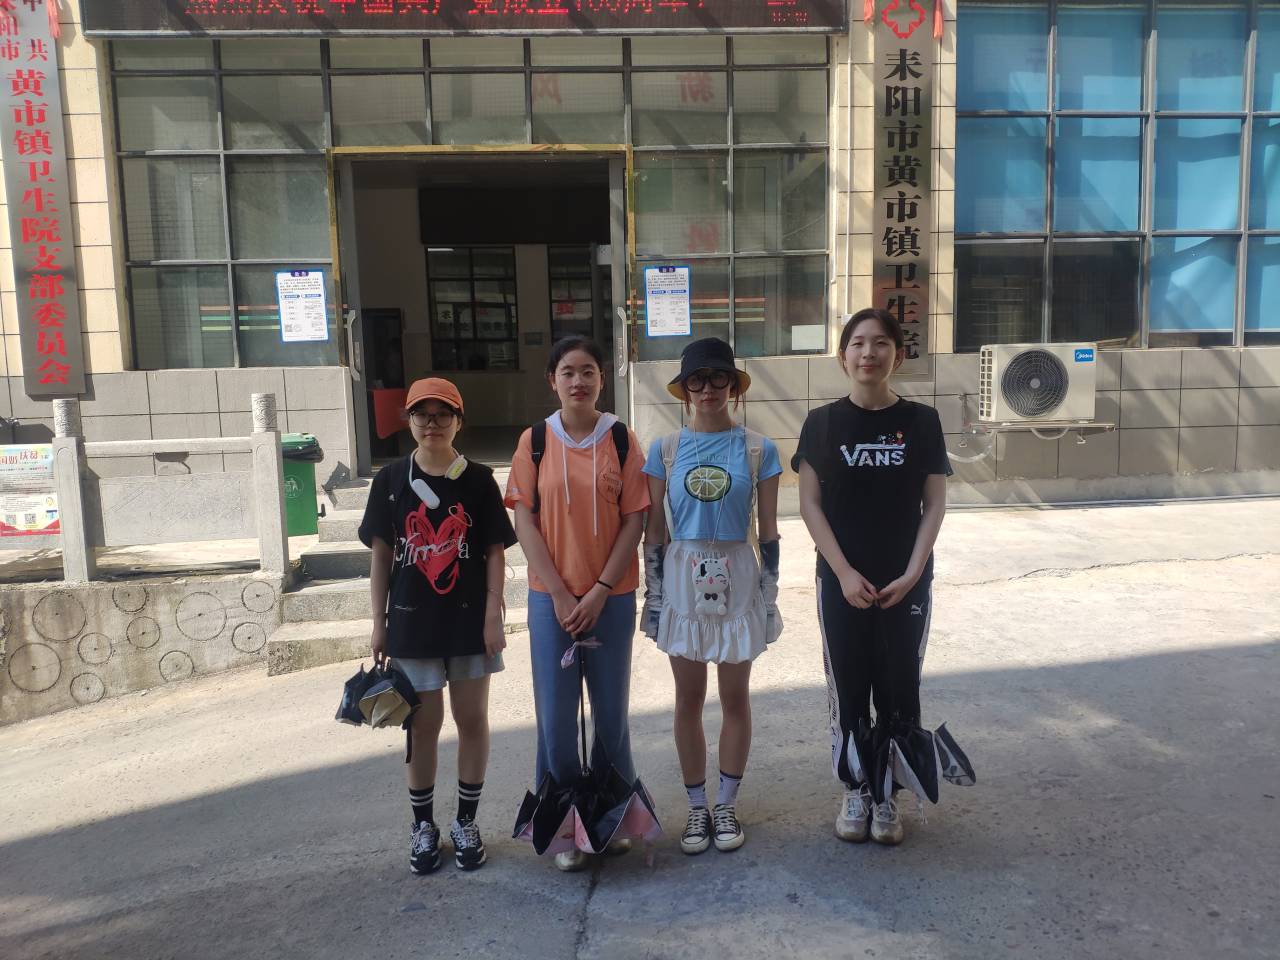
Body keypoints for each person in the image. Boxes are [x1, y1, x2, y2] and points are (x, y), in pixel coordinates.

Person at [793, 308, 955, 846]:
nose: (869, 353)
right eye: (858, 343)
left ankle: (889, 794)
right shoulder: (822, 424)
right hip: (842, 581)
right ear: (843, 356)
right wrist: (842, 573)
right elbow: (810, 505)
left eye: (881, 342)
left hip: (906, 581)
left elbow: (934, 504)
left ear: (897, 355)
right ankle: (855, 788)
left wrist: (913, 571)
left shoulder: (922, 421)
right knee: (848, 683)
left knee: (898, 684)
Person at [504, 336, 651, 872]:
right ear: (553, 380)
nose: (579, 381)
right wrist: (564, 594)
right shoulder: (535, 441)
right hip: (552, 601)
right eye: (568, 372)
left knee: (611, 714)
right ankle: (564, 826)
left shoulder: (621, 439)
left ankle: (612, 817)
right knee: (556, 716)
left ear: (602, 379)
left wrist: (599, 590)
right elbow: (524, 520)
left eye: (588, 371)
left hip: (611, 598)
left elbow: (635, 517)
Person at [358, 378, 516, 874]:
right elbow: (381, 556)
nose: (433, 423)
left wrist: (493, 616)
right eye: (422, 414)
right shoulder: (390, 481)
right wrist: (379, 623)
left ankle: (466, 822)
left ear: (458, 421)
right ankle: (423, 826)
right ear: (408, 421)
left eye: (443, 414)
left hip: (470, 624)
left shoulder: (479, 480)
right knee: (422, 726)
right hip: (412, 624)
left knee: (472, 719)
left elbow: (494, 552)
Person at [640, 337, 783, 856]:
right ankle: (697, 807)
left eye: (718, 378)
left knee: (735, 697)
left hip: (738, 574)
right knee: (688, 698)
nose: (707, 390)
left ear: (734, 386)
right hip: (683, 575)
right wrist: (654, 595)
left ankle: (726, 804)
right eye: (696, 380)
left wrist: (770, 595)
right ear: (683, 390)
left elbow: (768, 531)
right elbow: (654, 531)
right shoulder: (664, 450)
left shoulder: (759, 449)